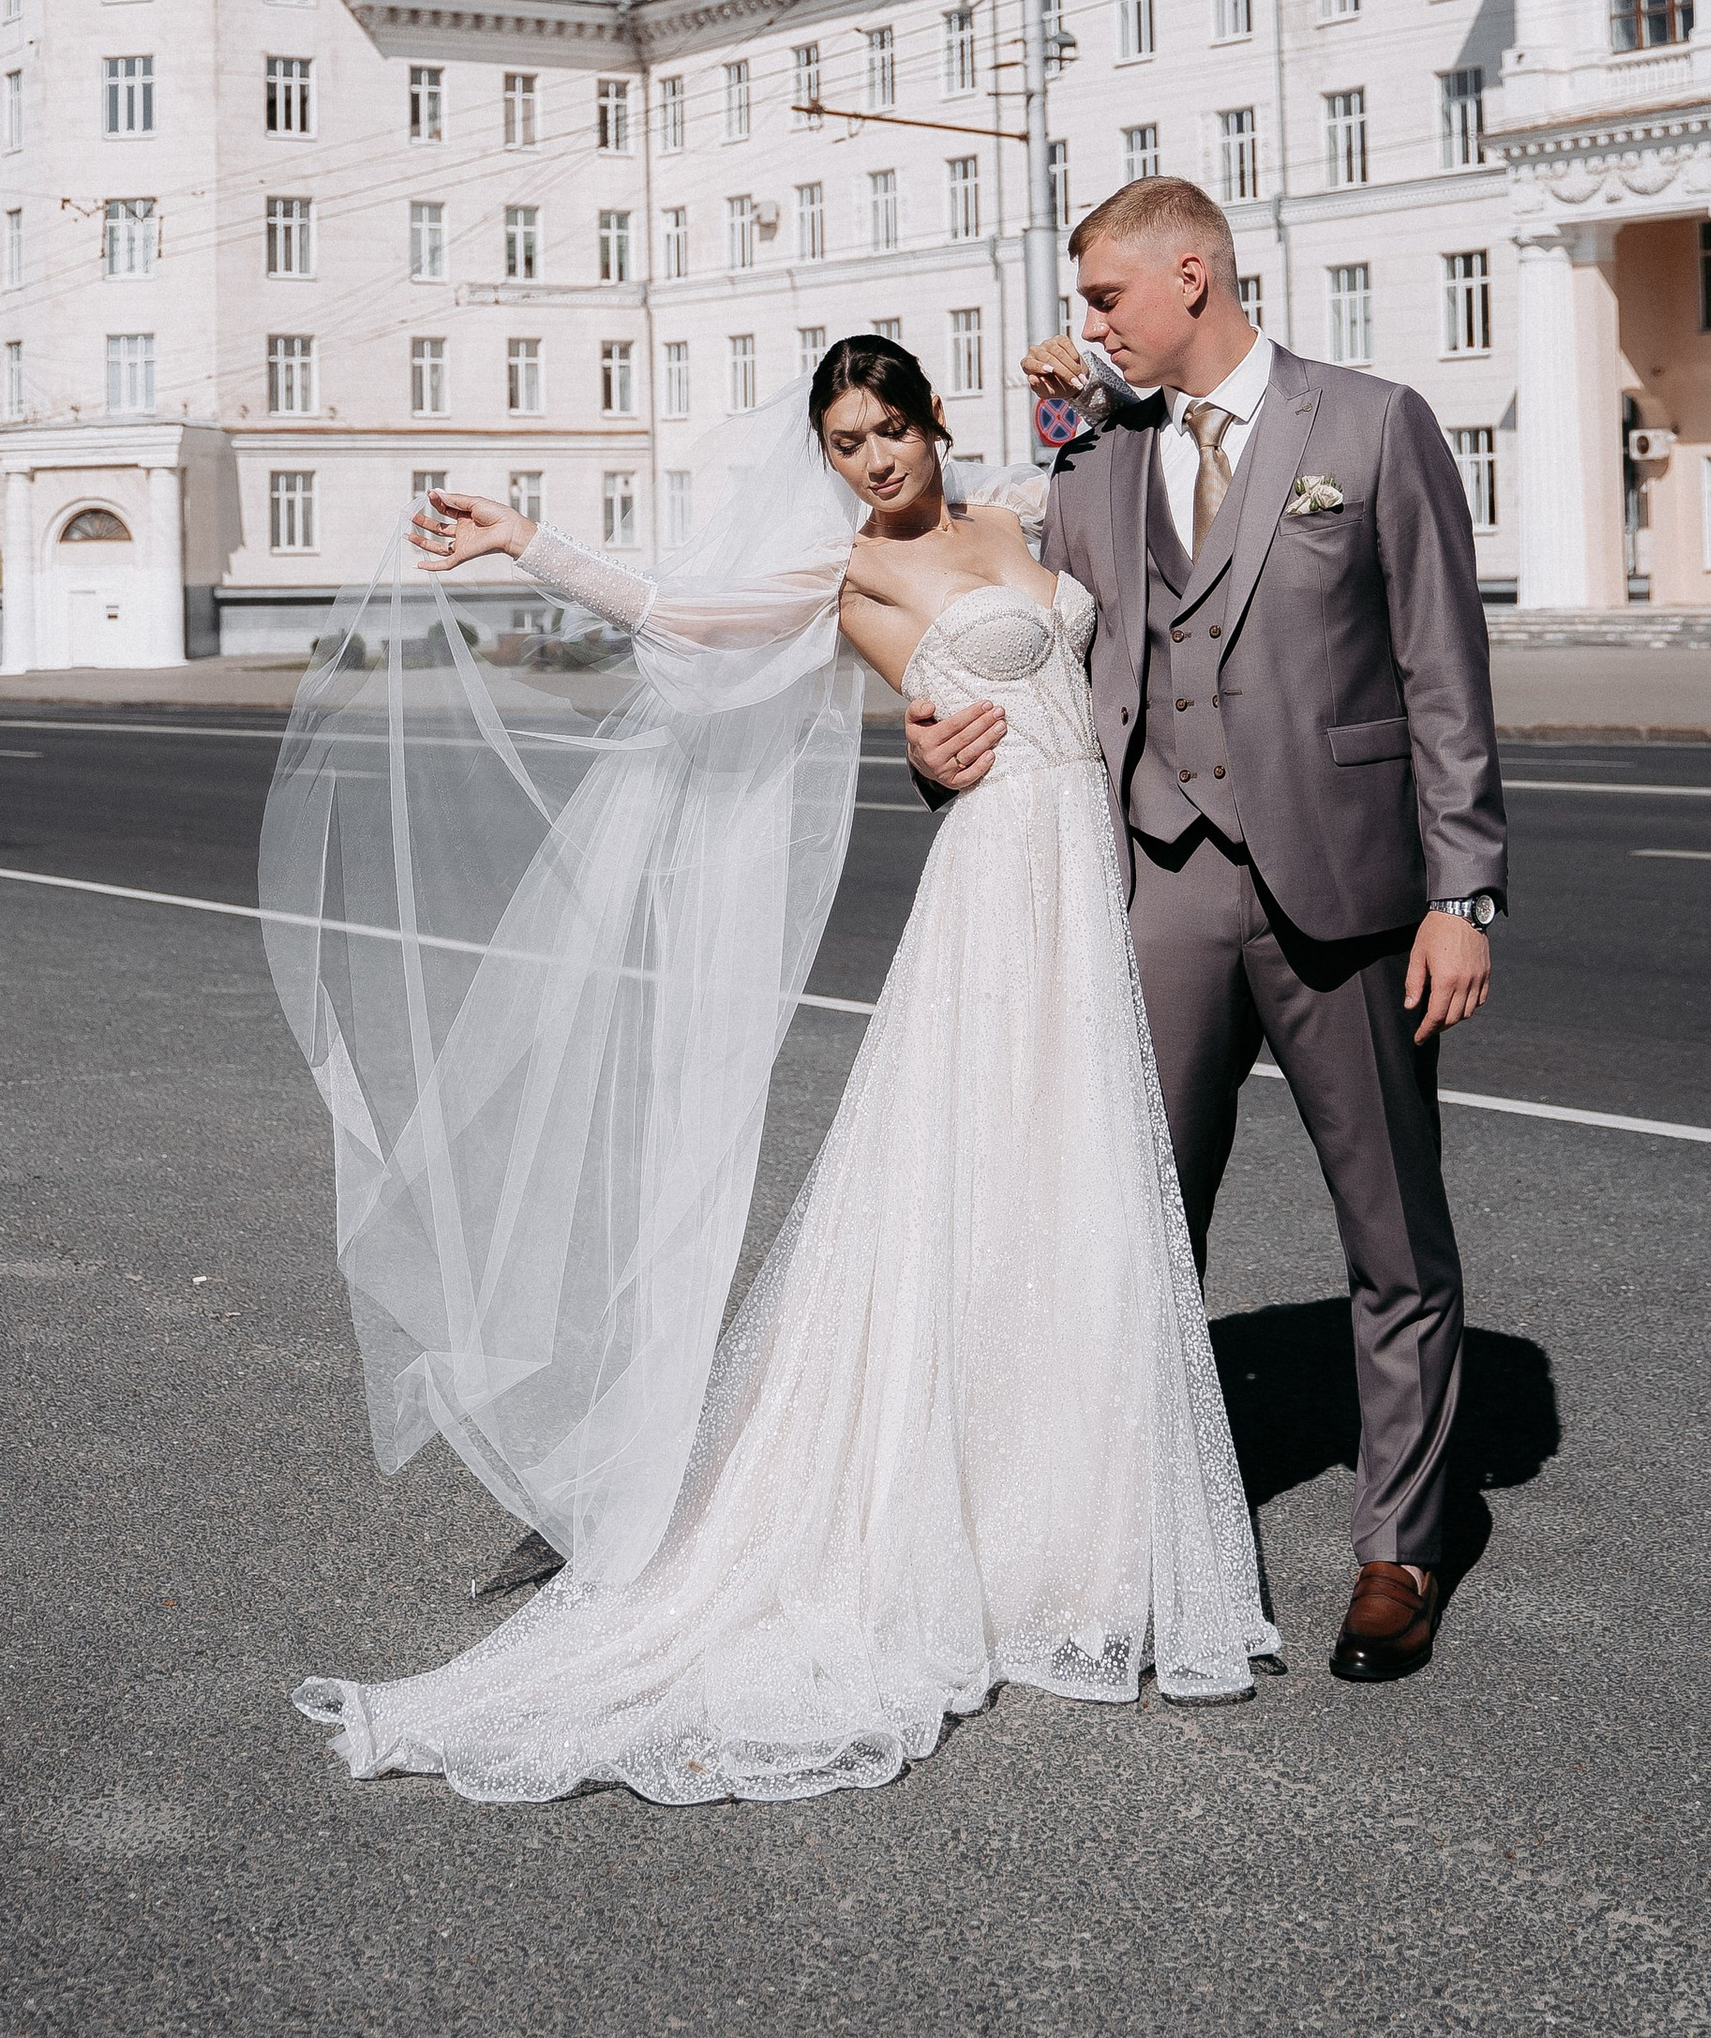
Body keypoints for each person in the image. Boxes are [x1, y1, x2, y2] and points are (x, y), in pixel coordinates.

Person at [272, 336, 1277, 1807]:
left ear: (936, 421)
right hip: (1000, 889)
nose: (873, 461)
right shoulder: (850, 575)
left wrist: (1099, 387)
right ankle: (924, 1527)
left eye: (890, 430)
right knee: (969, 1185)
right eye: (846, 443)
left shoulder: (1021, 507)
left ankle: (1069, 1534)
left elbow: (1129, 487)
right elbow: (687, 618)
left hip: (1090, 872)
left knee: (1075, 1192)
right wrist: (524, 542)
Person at [910, 174, 1504, 1684]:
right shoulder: (1098, 456)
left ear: (1194, 274)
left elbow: (1444, 673)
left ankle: (1400, 1546)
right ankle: (1117, 1540)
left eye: (1105, 296)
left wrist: (1463, 894)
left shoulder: (1372, 423)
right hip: (1158, 882)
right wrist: (937, 740)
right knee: (1132, 1225)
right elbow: (1001, 613)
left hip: (1351, 897)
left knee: (1391, 1232)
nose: (1086, 322)